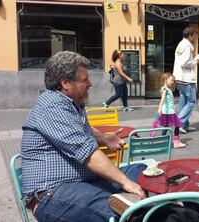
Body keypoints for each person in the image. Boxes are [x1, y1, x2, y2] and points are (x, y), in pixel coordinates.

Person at [21, 51, 146, 221]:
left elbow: (81, 130)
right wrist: (125, 182)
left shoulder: (73, 103)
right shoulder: (52, 106)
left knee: (141, 172)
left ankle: (142, 205)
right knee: (117, 210)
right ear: (65, 83)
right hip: (54, 192)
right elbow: (86, 152)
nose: (90, 83)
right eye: (84, 79)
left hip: (87, 182)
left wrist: (102, 137)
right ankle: (139, 209)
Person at [173, 27, 199, 134]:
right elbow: (185, 63)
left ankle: (184, 125)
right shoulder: (187, 46)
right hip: (186, 79)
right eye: (194, 35)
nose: (195, 37)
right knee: (191, 102)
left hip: (180, 78)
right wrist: (196, 60)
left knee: (183, 100)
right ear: (190, 35)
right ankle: (179, 123)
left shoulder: (181, 44)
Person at [152, 73, 187, 148]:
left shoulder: (166, 89)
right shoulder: (165, 90)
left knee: (166, 126)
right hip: (169, 112)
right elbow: (162, 99)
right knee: (177, 125)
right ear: (165, 80)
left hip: (167, 112)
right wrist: (159, 108)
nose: (172, 82)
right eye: (171, 80)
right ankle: (176, 142)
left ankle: (163, 141)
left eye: (173, 81)